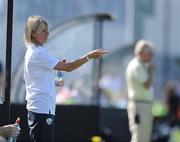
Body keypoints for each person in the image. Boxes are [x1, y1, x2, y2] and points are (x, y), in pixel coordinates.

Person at [23, 15, 108, 142]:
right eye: (43, 31)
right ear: (33, 34)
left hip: (42, 107)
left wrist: (59, 72)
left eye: (47, 29)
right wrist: (89, 56)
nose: (48, 33)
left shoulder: (38, 50)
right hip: (41, 108)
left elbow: (55, 80)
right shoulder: (37, 53)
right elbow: (68, 67)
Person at [126, 39, 154, 142]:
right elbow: (147, 85)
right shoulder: (136, 65)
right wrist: (151, 71)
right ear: (141, 52)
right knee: (139, 136)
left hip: (144, 105)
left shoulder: (141, 65)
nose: (151, 56)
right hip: (139, 106)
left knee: (144, 137)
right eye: (149, 53)